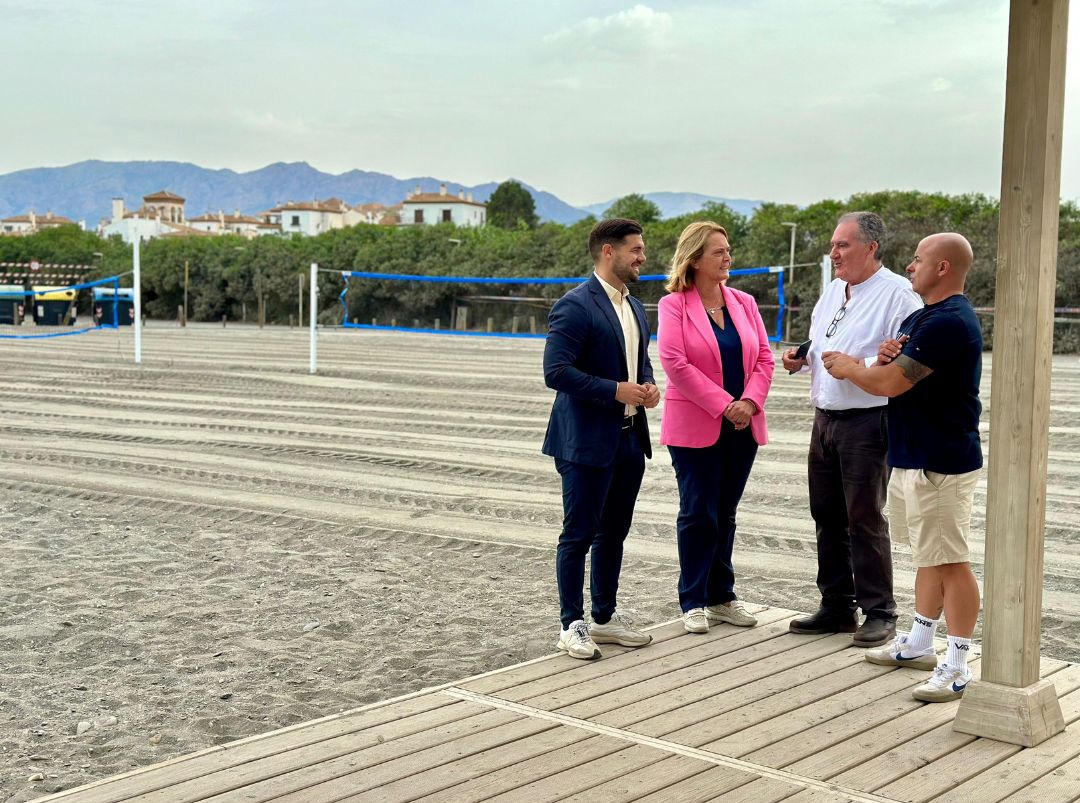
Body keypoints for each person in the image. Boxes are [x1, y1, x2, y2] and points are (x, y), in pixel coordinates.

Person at [823, 232, 983, 701]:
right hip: (913, 456)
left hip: (941, 462)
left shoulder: (949, 321)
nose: (910, 266)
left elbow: (890, 382)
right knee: (927, 554)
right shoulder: (923, 316)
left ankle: (957, 663)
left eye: (918, 259)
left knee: (950, 560)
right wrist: (880, 358)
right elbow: (892, 361)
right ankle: (919, 641)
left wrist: (854, 367)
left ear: (942, 269)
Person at [783, 212, 922, 647]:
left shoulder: (899, 295)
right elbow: (827, 342)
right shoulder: (833, 290)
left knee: (864, 516)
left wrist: (854, 366)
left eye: (842, 245)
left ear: (871, 248)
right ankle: (837, 606)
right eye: (833, 244)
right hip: (825, 418)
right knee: (826, 514)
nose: (834, 252)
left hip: (868, 419)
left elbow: (902, 363)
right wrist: (802, 355)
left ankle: (880, 611)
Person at [542, 218, 661, 660]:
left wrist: (647, 385)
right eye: (636, 250)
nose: (642, 258)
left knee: (614, 533)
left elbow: (638, 362)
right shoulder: (574, 306)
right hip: (584, 442)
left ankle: (604, 619)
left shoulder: (636, 307)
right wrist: (615, 390)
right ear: (608, 252)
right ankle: (570, 624)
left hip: (630, 439)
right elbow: (556, 372)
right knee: (578, 534)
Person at [658, 221, 775, 634]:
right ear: (694, 259)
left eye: (728, 250)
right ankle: (692, 600)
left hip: (743, 424)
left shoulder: (744, 302)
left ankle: (721, 597)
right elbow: (675, 364)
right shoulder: (673, 305)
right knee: (697, 512)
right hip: (696, 425)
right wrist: (726, 405)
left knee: (725, 513)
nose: (728, 258)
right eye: (719, 252)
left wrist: (749, 403)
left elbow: (764, 358)